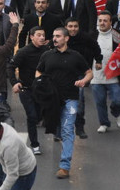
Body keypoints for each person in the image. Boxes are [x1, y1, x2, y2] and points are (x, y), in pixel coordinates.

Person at [36, 27, 92, 179]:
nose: (54, 39)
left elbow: (89, 73)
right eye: (53, 36)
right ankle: (58, 133)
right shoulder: (47, 55)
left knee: (68, 130)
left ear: (66, 38)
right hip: (52, 101)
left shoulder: (75, 56)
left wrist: (83, 81)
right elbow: (39, 71)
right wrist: (40, 82)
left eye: (58, 36)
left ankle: (65, 166)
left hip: (70, 99)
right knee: (57, 127)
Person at [8, 26, 50, 155]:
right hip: (26, 90)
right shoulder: (23, 52)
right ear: (31, 37)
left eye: (43, 35)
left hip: (42, 90)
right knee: (31, 116)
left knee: (38, 116)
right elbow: (10, 67)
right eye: (38, 35)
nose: (42, 37)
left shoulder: (47, 51)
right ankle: (35, 144)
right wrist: (15, 83)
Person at [92, 11, 120, 133]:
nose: (102, 23)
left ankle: (116, 113)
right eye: (100, 20)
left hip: (115, 75)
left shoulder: (119, 35)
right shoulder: (92, 35)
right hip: (96, 76)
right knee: (100, 101)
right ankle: (104, 123)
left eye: (105, 20)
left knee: (119, 100)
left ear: (111, 22)